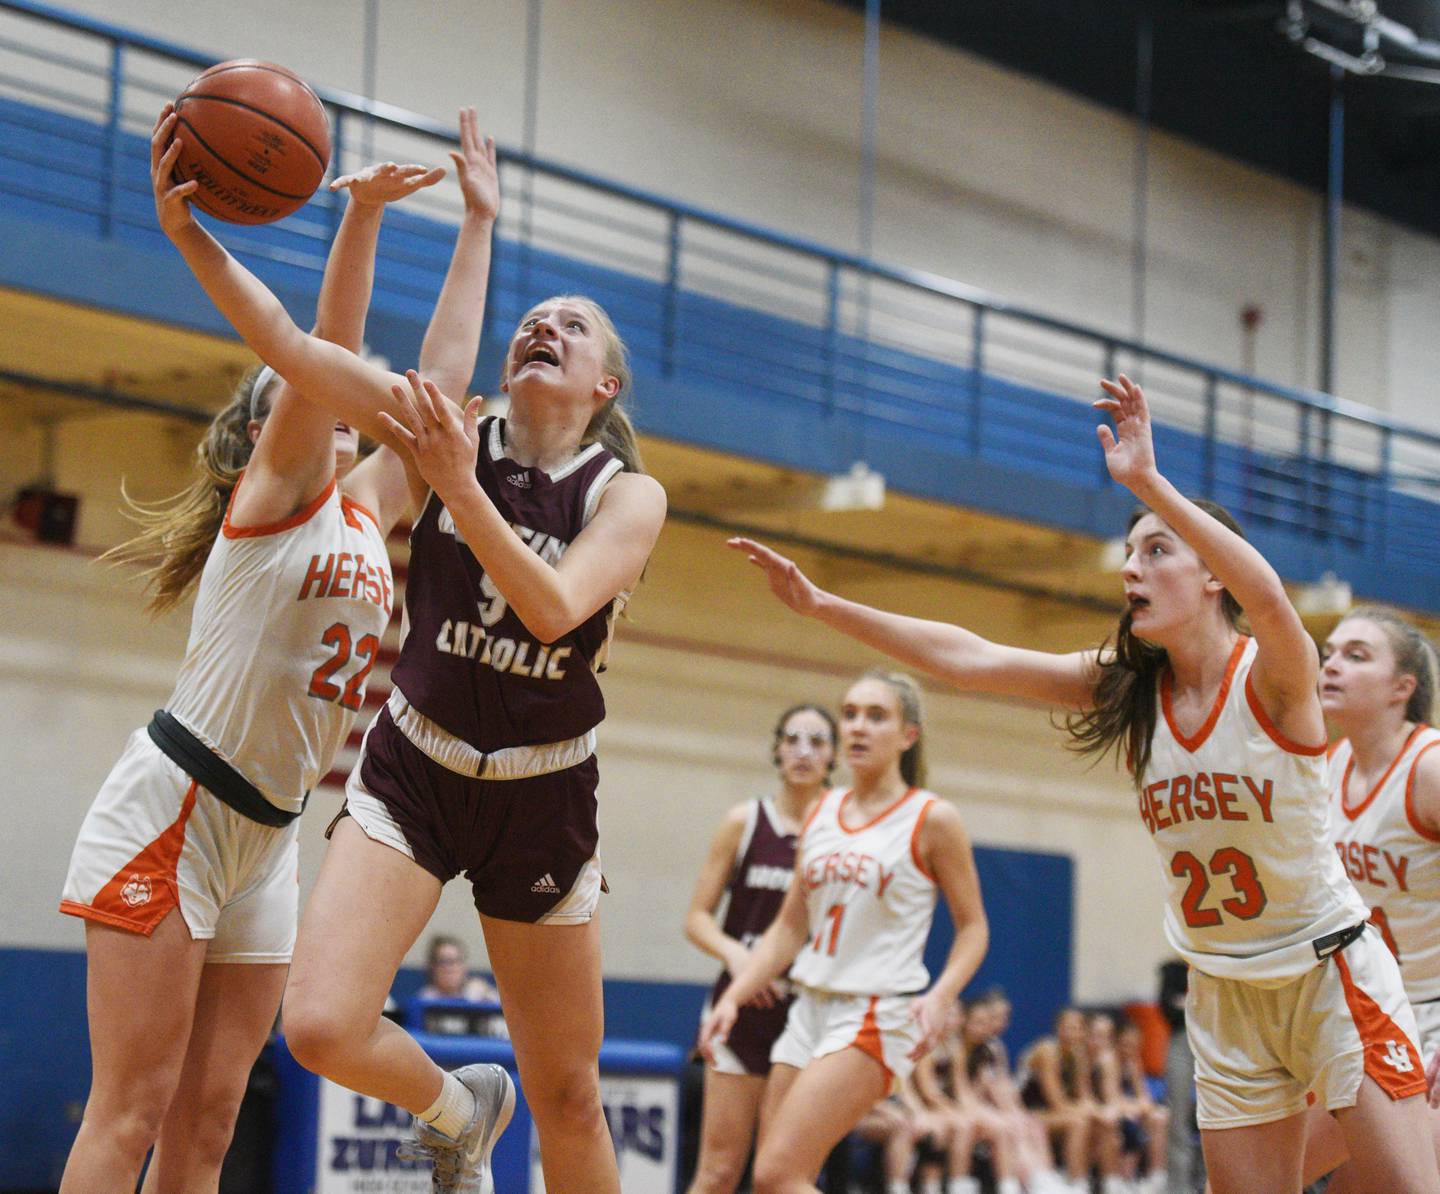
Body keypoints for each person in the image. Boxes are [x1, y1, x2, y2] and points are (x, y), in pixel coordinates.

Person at [727, 373, 1439, 1194]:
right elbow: (971, 658)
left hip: (1330, 977)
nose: (1131, 568)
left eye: (1156, 550)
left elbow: (1271, 595)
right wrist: (822, 605)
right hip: (1223, 990)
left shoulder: (1276, 678)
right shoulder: (1132, 692)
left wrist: (1147, 482)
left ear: (1212, 575)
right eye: (1130, 552)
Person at [152, 97, 667, 1194]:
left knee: (570, 1091)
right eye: (539, 317)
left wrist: (454, 484)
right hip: (415, 766)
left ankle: (508, 1106)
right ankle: (456, 1104)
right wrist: (193, 233)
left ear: (603, 386)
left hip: (542, 789)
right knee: (323, 1027)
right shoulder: (441, 430)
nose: (548, 327)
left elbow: (550, 608)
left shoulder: (627, 495)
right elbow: (293, 346)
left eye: (574, 327)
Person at [56, 151, 447, 1193]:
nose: (331, 384)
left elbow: (438, 391)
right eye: (303, 390)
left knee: (211, 1120)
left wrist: (476, 225)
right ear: (269, 424)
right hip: (173, 808)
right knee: (131, 1108)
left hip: (266, 838)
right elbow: (319, 348)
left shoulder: (368, 509)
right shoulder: (273, 496)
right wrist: (358, 218)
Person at [699, 670, 990, 1194]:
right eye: (850, 713)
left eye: (876, 716)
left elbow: (973, 929)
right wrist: (734, 997)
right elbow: (790, 927)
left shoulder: (933, 818)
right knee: (779, 1180)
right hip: (808, 1006)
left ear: (908, 735)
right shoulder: (823, 811)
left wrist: (942, 994)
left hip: (874, 1011)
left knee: (775, 1172)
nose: (858, 726)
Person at [1300, 607, 1440, 1189]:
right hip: (1364, 1013)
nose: (1332, 665)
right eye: (1329, 652)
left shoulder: (1429, 768)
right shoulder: (1323, 769)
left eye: (1357, 656)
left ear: (1401, 688)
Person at [682, 703, 838, 1194]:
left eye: (817, 741)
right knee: (719, 1173)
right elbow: (696, 918)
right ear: (776, 749)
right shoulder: (746, 821)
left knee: (782, 1175)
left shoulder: (844, 829)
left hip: (808, 1011)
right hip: (742, 1009)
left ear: (833, 755)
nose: (804, 751)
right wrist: (741, 958)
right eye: (793, 739)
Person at [1017, 1008, 1108, 1191]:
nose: (1072, 1033)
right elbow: (1056, 1102)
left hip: (1053, 1114)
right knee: (1078, 1123)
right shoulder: (1047, 1051)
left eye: (1077, 1028)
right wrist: (1091, 1111)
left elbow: (1085, 1097)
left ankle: (1104, 1181)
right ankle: (1076, 1182)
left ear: (1084, 1032)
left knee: (1103, 1123)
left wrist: (1100, 1112)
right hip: (1027, 1115)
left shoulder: (1078, 1055)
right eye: (1067, 1027)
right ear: (1057, 1028)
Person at [1158, 956, 1204, 1193]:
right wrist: (1197, 1003)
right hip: (1181, 1043)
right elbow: (1168, 1010)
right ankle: (1178, 1185)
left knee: (1216, 1115)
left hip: (1213, 1042)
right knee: (1178, 1115)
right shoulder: (1173, 969)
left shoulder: (1219, 962)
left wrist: (1186, 1003)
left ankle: (1208, 1182)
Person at [418, 934, 501, 1003]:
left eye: (456, 961)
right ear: (433, 966)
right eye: (444, 961)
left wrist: (487, 993)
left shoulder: (478, 993)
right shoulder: (426, 998)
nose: (450, 968)